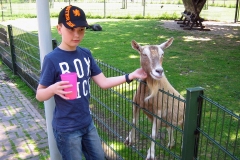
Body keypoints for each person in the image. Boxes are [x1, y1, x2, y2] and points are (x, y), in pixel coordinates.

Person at [35, 5, 147, 160]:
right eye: (71, 29)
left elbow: (104, 82)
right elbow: (39, 95)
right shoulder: (52, 59)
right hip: (67, 129)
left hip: (87, 124)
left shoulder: (85, 54)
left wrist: (131, 76)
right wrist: (53, 88)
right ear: (59, 28)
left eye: (81, 29)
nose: (77, 35)